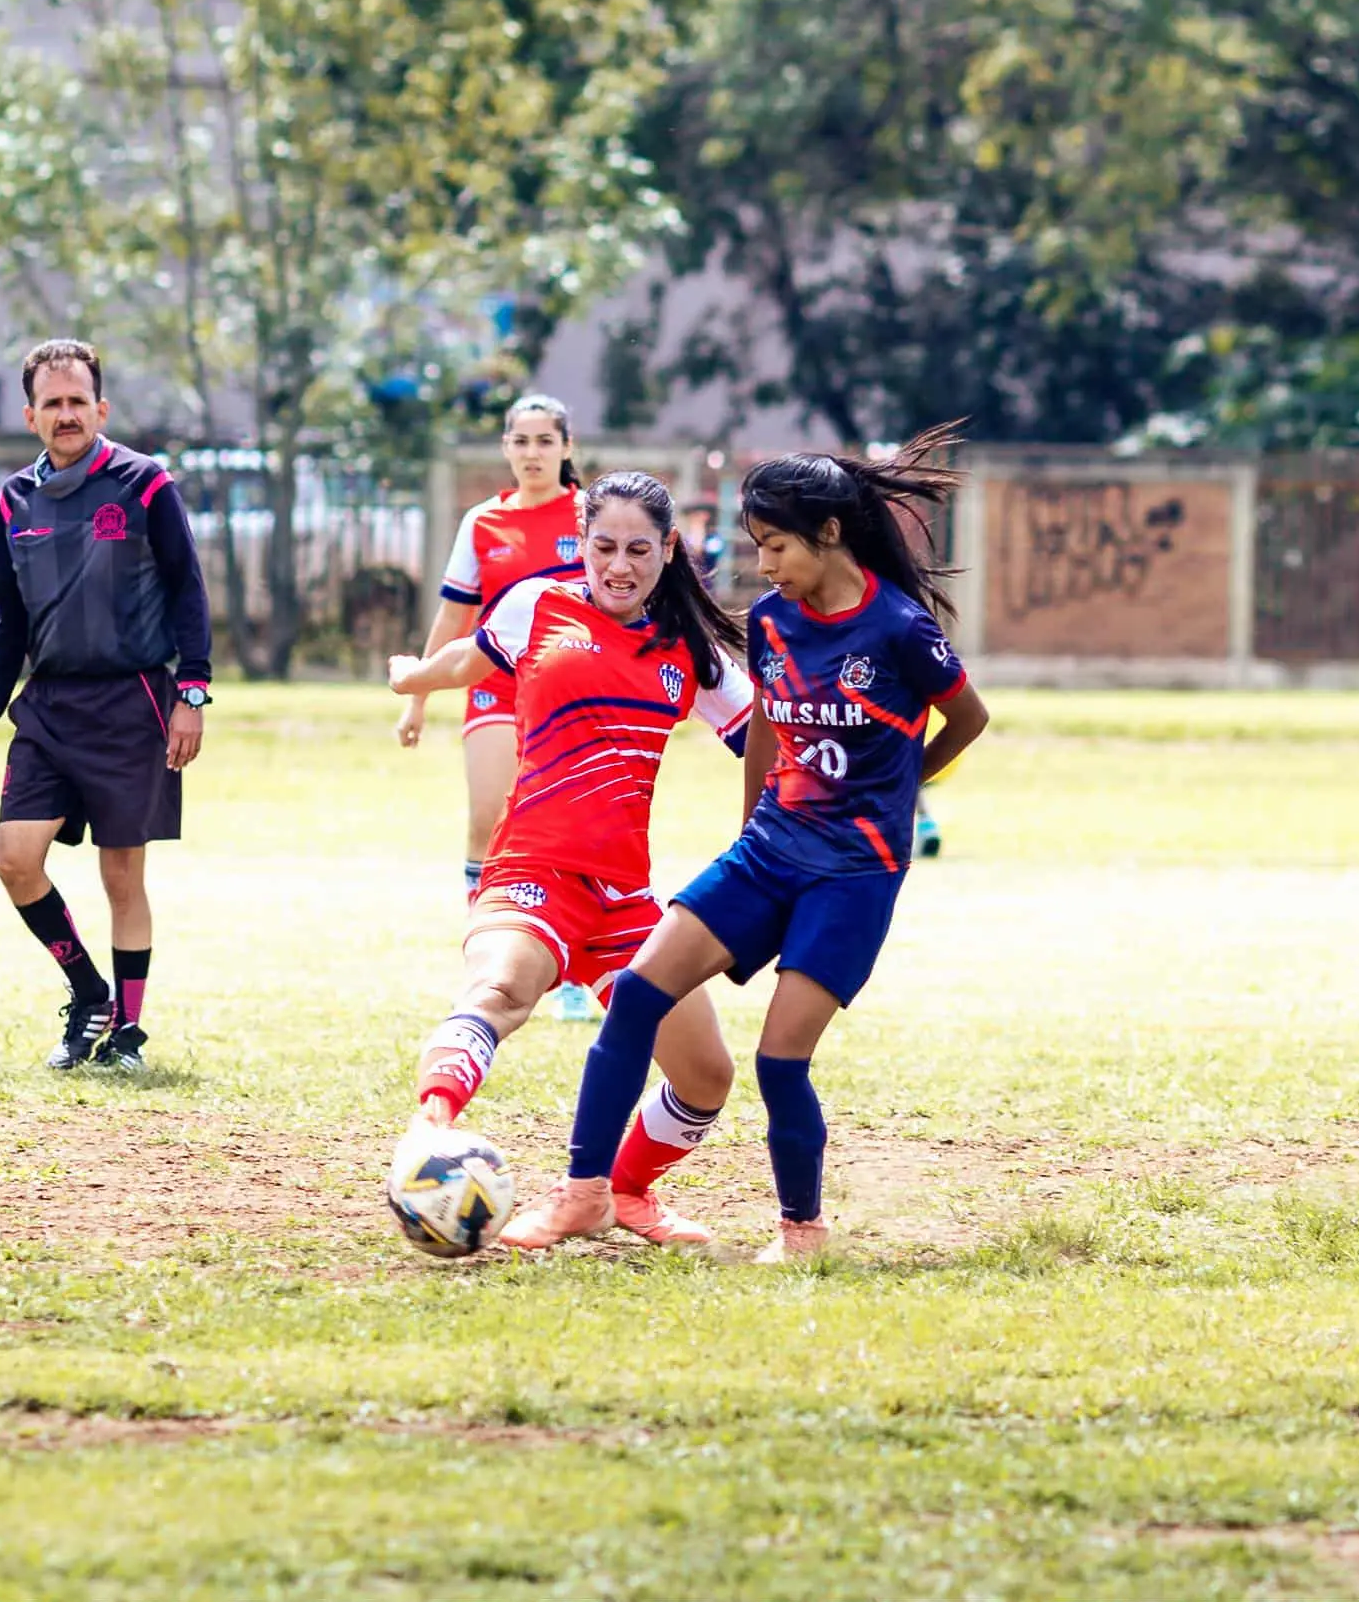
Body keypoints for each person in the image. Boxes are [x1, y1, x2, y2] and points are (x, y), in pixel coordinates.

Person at [505, 428, 992, 1262]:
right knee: (635, 995)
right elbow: (764, 718)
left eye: (773, 546)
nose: (762, 566)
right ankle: (584, 1192)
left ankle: (800, 1230)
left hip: (852, 873)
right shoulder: (770, 620)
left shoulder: (898, 627)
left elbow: (969, 718)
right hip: (768, 853)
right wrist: (748, 827)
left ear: (828, 534)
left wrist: (904, 790)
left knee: (777, 1059)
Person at [387, 471, 755, 1246]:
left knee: (706, 1075)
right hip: (531, 870)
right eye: (603, 546)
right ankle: (427, 1132)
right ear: (581, 543)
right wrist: (412, 678)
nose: (618, 565)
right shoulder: (534, 604)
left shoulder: (687, 647)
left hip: (623, 897)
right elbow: (467, 664)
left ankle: (616, 1192)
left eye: (637, 550)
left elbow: (765, 737)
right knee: (501, 986)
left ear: (667, 551)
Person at [0, 339, 211, 1073]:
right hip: (50, 707)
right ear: (30, 414)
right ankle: (86, 989)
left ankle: (125, 1031)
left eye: (77, 401)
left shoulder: (145, 484)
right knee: (12, 857)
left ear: (101, 407)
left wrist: (191, 690)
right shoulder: (13, 500)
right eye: (51, 403)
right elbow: (9, 620)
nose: (65, 414)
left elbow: (188, 588)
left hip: (134, 701)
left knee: (122, 876)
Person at [396, 394, 589, 898]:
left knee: (564, 825)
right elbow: (454, 616)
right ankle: (484, 938)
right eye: (521, 441)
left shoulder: (591, 516)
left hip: (574, 693)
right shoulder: (482, 522)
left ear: (567, 447)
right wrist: (419, 698)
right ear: (506, 448)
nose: (533, 453)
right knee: (488, 815)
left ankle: (566, 961)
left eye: (545, 441)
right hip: (495, 687)